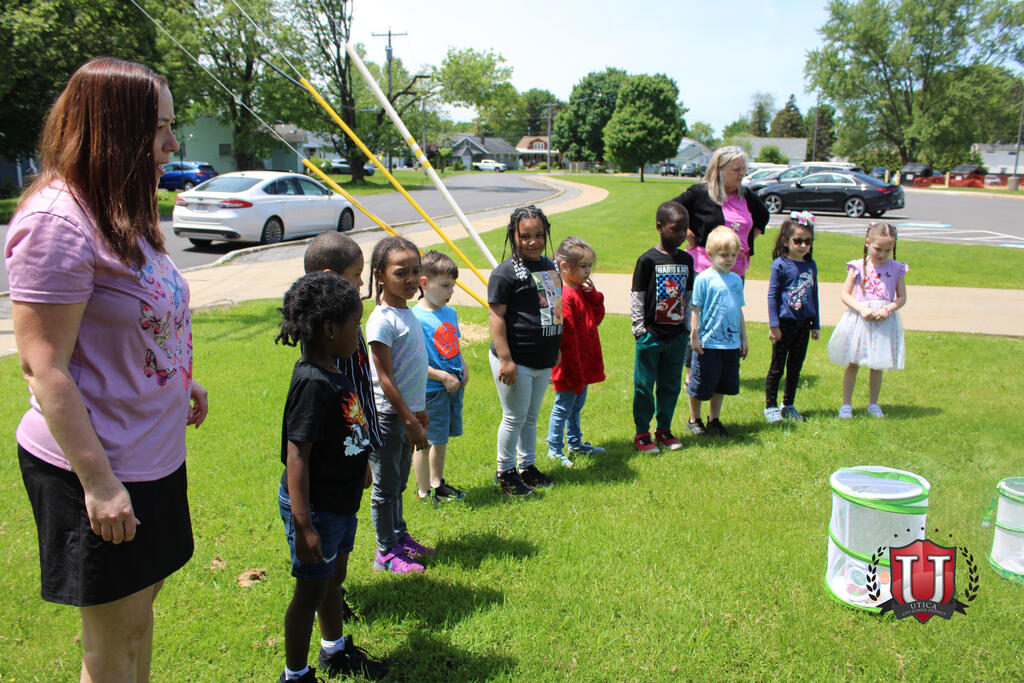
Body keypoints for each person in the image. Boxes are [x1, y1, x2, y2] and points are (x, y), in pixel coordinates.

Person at [4, 57, 208, 681]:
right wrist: (99, 484)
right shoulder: (56, 223)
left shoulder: (121, 209)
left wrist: (179, 376)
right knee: (112, 641)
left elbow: (137, 317)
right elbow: (44, 368)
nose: (171, 144)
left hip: (152, 453)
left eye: (170, 126)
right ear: (111, 131)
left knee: (137, 618)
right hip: (99, 465)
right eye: (158, 128)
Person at [274, 273, 386, 683]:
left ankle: (334, 651)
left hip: (339, 503)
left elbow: (344, 429)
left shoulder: (333, 371)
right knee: (310, 592)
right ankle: (295, 674)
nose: (359, 332)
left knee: (333, 580)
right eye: (355, 323)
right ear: (330, 329)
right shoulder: (312, 383)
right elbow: (297, 454)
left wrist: (361, 463)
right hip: (317, 508)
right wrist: (304, 525)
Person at [303, 231, 381, 618]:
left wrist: (363, 453)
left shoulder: (347, 321)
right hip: (335, 465)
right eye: (356, 275)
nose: (362, 284)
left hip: (353, 453)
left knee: (344, 534)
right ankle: (328, 602)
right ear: (330, 276)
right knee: (331, 541)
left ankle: (335, 593)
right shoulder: (325, 338)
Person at [672, 147, 768, 436]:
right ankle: (693, 384)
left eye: (743, 169)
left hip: (735, 275)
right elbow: (672, 210)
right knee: (701, 328)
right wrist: (689, 235)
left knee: (727, 324)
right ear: (720, 169)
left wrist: (748, 242)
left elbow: (763, 216)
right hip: (705, 271)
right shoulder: (701, 193)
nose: (742, 174)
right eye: (736, 169)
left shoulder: (746, 195)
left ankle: (714, 413)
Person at [365, 236, 435, 573]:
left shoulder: (406, 312)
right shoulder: (382, 319)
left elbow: (411, 370)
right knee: (386, 487)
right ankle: (385, 551)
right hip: (389, 417)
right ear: (379, 275)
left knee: (398, 482)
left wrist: (418, 408)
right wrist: (407, 419)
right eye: (400, 273)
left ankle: (398, 536)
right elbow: (385, 378)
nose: (410, 279)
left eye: (414, 271)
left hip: (407, 413)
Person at [489, 205, 562, 495]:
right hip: (516, 359)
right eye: (525, 236)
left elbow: (553, 308)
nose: (533, 241)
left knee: (531, 417)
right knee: (514, 417)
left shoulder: (550, 266)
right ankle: (505, 471)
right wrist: (505, 359)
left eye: (539, 235)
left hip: (542, 358)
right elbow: (496, 316)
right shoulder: (505, 273)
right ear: (513, 236)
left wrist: (556, 346)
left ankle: (527, 466)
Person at [630, 202, 695, 454]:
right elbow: (637, 296)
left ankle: (664, 429)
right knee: (644, 386)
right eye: (675, 229)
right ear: (660, 227)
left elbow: (688, 295)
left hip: (676, 337)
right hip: (651, 337)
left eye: (684, 229)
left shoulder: (686, 260)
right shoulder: (647, 260)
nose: (681, 234)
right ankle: (642, 433)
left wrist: (685, 329)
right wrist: (640, 331)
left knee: (670, 386)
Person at [827, 223, 907, 418]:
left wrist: (888, 309)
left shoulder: (897, 268)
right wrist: (862, 308)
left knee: (877, 364)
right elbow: (845, 294)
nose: (882, 254)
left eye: (887, 250)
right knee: (853, 362)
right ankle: (846, 404)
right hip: (860, 320)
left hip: (883, 321)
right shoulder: (857, 266)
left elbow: (902, 297)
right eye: (878, 249)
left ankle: (873, 403)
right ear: (868, 242)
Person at [412, 251, 468, 503]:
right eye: (445, 286)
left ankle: (437, 483)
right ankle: (424, 492)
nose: (451, 291)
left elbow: (454, 345)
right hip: (430, 391)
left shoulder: (450, 313)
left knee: (441, 439)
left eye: (452, 286)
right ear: (424, 283)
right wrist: (442, 376)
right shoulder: (416, 317)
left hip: (451, 388)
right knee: (424, 443)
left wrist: (463, 367)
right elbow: (414, 361)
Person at [546, 236, 606, 465]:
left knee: (576, 406)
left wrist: (594, 296)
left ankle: (575, 442)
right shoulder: (563, 296)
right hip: (570, 365)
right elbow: (567, 338)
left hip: (583, 361)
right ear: (564, 266)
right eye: (583, 266)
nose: (588, 271)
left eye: (589, 266)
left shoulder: (580, 290)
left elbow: (596, 319)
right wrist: (574, 370)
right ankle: (554, 448)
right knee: (563, 406)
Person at [687, 226, 749, 436]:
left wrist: (743, 337)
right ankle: (694, 419)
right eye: (724, 255)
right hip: (708, 342)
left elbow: (738, 310)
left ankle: (714, 419)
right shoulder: (704, 279)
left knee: (722, 384)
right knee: (700, 383)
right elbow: (696, 309)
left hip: (730, 343)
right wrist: (694, 335)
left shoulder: (736, 280)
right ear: (710, 254)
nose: (729, 259)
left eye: (733, 255)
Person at [764, 211, 821, 423]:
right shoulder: (780, 265)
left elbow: (814, 294)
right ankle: (770, 406)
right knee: (777, 367)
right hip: (784, 323)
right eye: (798, 240)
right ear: (786, 241)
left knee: (795, 367)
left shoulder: (810, 265)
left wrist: (816, 323)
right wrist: (774, 324)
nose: (803, 245)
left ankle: (788, 404)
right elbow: (772, 295)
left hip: (803, 324)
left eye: (808, 241)